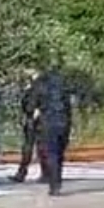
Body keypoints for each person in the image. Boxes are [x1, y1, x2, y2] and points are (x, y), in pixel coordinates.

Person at [31, 63, 73, 196]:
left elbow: (31, 105)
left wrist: (36, 110)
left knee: (51, 153)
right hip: (64, 121)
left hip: (48, 121)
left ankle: (54, 185)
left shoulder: (40, 84)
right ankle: (58, 181)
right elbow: (68, 107)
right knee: (60, 153)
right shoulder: (63, 85)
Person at [9, 66, 50, 184]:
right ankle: (43, 173)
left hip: (36, 120)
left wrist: (33, 108)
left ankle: (24, 173)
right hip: (39, 120)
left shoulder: (37, 86)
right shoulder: (41, 85)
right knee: (38, 147)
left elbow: (30, 105)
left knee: (34, 147)